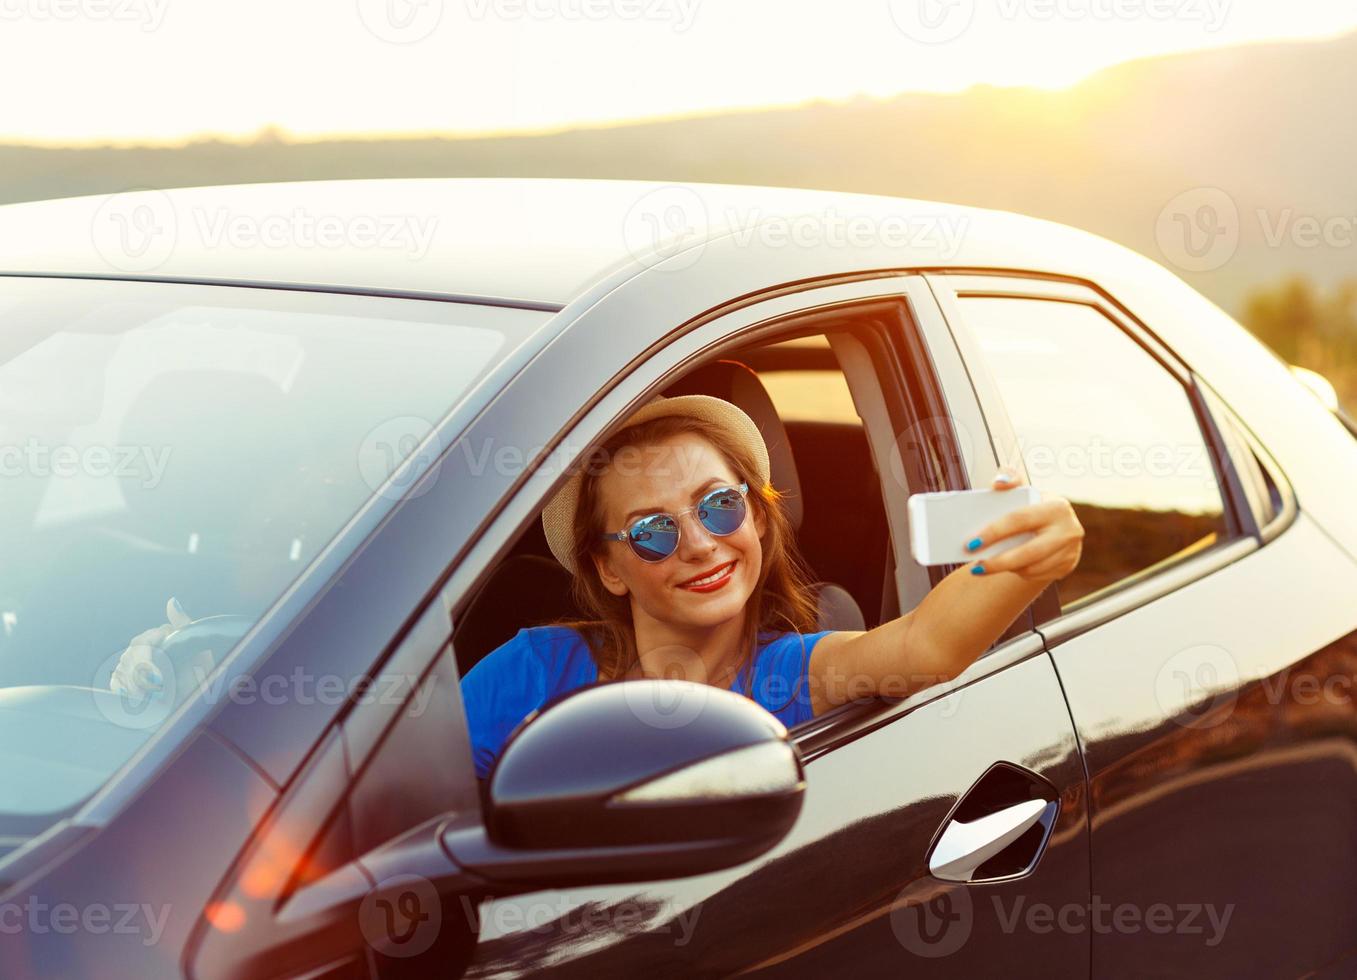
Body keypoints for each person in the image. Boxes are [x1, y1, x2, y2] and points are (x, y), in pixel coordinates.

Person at [458, 394, 1084, 779]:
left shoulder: (796, 675)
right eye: (652, 531)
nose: (701, 543)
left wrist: (1035, 554)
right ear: (608, 569)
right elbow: (399, 809)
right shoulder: (530, 669)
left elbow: (926, 647)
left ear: (757, 515)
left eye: (720, 505)